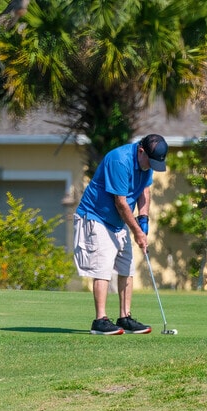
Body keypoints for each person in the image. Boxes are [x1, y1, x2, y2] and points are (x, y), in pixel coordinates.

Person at [73, 134, 168, 335]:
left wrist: (144, 220)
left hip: (117, 222)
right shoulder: (120, 160)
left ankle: (124, 317)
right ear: (141, 151)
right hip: (96, 217)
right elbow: (121, 203)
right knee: (103, 267)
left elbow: (144, 191)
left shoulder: (145, 165)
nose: (150, 167)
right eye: (149, 162)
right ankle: (100, 320)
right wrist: (138, 233)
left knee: (127, 266)